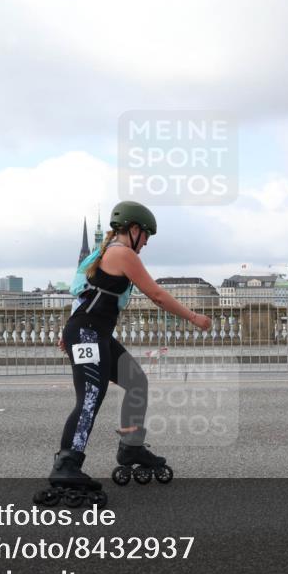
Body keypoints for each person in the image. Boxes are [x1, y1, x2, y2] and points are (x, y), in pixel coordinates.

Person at [42, 201, 212, 501]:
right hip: (88, 334)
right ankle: (67, 463)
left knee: (136, 382)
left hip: (92, 334)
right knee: (90, 397)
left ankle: (131, 446)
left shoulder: (105, 254)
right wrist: (194, 318)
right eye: (146, 235)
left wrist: (68, 332)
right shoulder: (122, 253)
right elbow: (157, 294)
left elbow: (84, 294)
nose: (146, 242)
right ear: (133, 230)